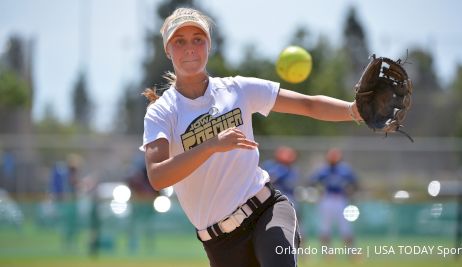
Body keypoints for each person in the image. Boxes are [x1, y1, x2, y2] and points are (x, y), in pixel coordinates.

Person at [140, 7, 362, 267]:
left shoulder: (238, 89)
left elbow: (309, 105)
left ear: (208, 46)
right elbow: (157, 176)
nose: (190, 47)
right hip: (220, 243)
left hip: (266, 211)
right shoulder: (162, 112)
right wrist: (211, 146)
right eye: (180, 41)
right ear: (168, 50)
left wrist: (354, 110)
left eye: (198, 39)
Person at [309, 148, 358, 252]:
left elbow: (355, 182)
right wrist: (319, 191)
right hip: (327, 198)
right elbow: (312, 181)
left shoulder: (344, 169)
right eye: (331, 155)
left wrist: (351, 192)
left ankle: (352, 251)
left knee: (345, 227)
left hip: (341, 198)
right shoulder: (324, 169)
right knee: (325, 227)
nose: (333, 157)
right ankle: (327, 252)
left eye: (336, 155)